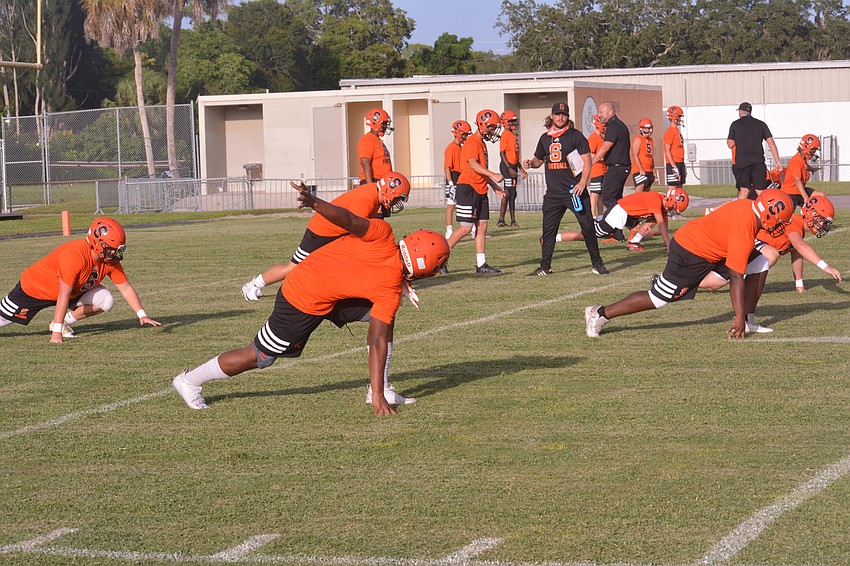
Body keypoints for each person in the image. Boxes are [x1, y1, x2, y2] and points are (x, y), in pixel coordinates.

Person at [173, 183, 450, 415]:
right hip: (301, 297)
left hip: (329, 295)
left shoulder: (383, 236)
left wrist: (315, 201)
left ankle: (380, 388)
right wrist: (315, 202)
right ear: (424, 267)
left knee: (384, 319)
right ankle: (190, 380)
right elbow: (348, 220)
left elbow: (349, 220)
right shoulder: (388, 289)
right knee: (260, 356)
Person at [584, 189, 793, 339]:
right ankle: (600, 313)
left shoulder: (747, 206)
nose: (780, 226)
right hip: (690, 251)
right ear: (768, 214)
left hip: (714, 246)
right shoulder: (744, 227)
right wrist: (736, 317)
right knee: (659, 298)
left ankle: (749, 319)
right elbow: (736, 277)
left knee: (763, 258)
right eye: (780, 220)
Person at [241, 172, 411, 301]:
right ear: (389, 190)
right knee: (293, 267)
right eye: (398, 198)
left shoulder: (373, 195)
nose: (397, 203)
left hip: (334, 231)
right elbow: (354, 228)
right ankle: (255, 285)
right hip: (321, 231)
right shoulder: (367, 201)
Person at [0, 217, 161, 343]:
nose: (113, 254)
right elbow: (63, 294)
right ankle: (58, 326)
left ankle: (64, 323)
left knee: (106, 301)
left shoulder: (109, 261)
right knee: (2, 320)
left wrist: (142, 315)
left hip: (74, 290)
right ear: (97, 243)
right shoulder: (74, 255)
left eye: (115, 250)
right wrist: (56, 334)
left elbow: (125, 288)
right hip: (36, 289)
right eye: (110, 249)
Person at [698, 195, 841, 332]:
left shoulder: (798, 230)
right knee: (771, 255)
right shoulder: (794, 221)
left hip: (751, 249)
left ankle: (688, 280)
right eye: (821, 220)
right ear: (811, 214)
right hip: (747, 241)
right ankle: (747, 307)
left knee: (714, 284)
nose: (823, 225)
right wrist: (825, 267)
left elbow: (797, 254)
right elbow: (800, 246)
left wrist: (799, 284)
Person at [522, 101, 607, 276]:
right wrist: (531, 163)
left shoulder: (575, 136)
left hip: (573, 191)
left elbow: (587, 160)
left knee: (588, 227)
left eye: (564, 114)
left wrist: (583, 182)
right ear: (551, 116)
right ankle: (545, 267)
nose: (561, 117)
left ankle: (597, 263)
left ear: (568, 117)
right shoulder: (545, 138)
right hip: (553, 193)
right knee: (548, 230)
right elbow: (539, 160)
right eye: (558, 114)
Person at [444, 109, 505, 275]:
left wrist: (493, 185)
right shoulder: (471, 142)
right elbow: (472, 164)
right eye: (491, 127)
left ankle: (481, 264)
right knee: (465, 227)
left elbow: (481, 170)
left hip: (480, 188)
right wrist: (493, 174)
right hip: (468, 188)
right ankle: (440, 259)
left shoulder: (482, 143)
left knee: (482, 226)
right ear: (482, 124)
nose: (493, 131)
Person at [595, 188, 688, 252]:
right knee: (592, 234)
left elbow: (663, 229)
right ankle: (587, 226)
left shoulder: (662, 208)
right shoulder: (655, 199)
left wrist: (652, 233)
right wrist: (669, 245)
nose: (672, 210)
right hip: (619, 212)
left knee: (654, 219)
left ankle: (634, 243)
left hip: (629, 216)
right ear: (669, 199)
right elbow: (661, 224)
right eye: (673, 208)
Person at [727, 102, 783, 200]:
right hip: (758, 163)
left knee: (744, 189)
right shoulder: (761, 124)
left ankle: (740, 214)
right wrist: (777, 162)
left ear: (741, 112)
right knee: (760, 190)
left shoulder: (735, 124)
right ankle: (769, 211)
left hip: (742, 163)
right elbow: (771, 142)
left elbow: (730, 144)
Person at [592, 102, 632, 216]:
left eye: (601, 112)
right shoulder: (620, 125)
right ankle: (632, 226)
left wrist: (591, 162)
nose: (599, 115)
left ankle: (623, 227)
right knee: (617, 200)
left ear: (610, 112)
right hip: (621, 168)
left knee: (608, 198)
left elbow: (605, 147)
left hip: (617, 168)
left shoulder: (613, 126)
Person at [497, 110, 528, 228]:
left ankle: (512, 220)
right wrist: (509, 168)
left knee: (513, 193)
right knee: (508, 193)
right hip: (507, 166)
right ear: (505, 122)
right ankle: (501, 219)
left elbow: (515, 156)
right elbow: (502, 153)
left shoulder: (513, 135)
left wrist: (521, 169)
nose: (514, 123)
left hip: (512, 166)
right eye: (511, 121)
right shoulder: (505, 134)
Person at [780, 133, 826, 210]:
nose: (814, 152)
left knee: (821, 195)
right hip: (791, 193)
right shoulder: (796, 161)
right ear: (805, 146)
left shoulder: (802, 159)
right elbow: (797, 180)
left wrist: (813, 169)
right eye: (813, 149)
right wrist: (805, 197)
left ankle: (814, 219)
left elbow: (805, 166)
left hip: (800, 191)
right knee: (787, 218)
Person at [443, 119, 471, 239]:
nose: (465, 136)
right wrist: (450, 184)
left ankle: (471, 228)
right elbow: (447, 167)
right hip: (453, 177)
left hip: (461, 176)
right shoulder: (451, 148)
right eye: (464, 134)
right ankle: (449, 230)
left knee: (465, 203)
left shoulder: (462, 147)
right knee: (451, 204)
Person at [358, 108, 393, 185]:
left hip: (382, 181)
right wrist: (370, 186)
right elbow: (365, 163)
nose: (385, 126)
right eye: (383, 123)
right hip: (374, 181)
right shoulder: (367, 139)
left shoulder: (377, 140)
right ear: (374, 123)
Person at [587, 112, 608, 219]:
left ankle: (600, 215)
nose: (604, 127)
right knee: (594, 194)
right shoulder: (593, 138)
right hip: (596, 170)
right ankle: (592, 216)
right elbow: (589, 153)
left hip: (603, 170)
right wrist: (600, 157)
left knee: (601, 195)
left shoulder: (602, 138)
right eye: (603, 125)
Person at [663, 105, 686, 195]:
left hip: (679, 162)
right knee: (672, 188)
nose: (680, 119)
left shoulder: (676, 131)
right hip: (674, 163)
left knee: (679, 189)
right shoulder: (670, 131)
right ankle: (668, 207)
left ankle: (677, 208)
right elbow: (667, 150)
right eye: (679, 116)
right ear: (673, 116)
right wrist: (673, 166)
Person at [630, 118, 655, 192]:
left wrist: (653, 170)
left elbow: (650, 156)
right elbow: (635, 155)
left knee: (646, 194)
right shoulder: (638, 139)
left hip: (649, 169)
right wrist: (641, 169)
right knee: (639, 193)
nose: (647, 131)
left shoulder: (650, 140)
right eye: (645, 128)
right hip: (640, 170)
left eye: (649, 128)